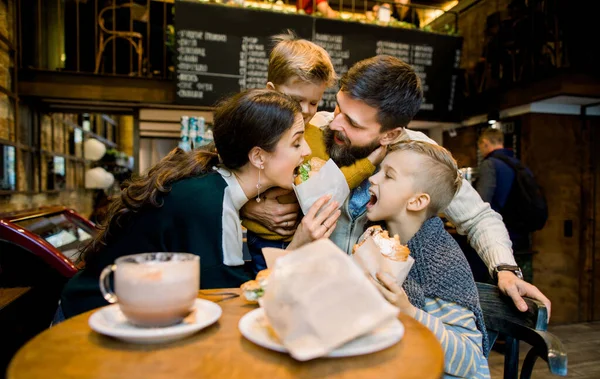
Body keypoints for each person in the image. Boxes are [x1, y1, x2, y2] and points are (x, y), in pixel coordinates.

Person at [258, 54, 550, 315]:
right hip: (304, 297)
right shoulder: (310, 129)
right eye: (338, 108)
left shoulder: (420, 157)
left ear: (390, 134)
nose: (334, 123)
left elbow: (478, 217)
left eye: (353, 123)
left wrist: (506, 269)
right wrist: (256, 207)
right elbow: (242, 164)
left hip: (374, 310)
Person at [59, 89, 340, 320]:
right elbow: (232, 305)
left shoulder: (213, 187)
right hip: (89, 319)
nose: (305, 152)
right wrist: (298, 246)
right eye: (296, 143)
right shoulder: (208, 204)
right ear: (258, 157)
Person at [241, 32, 385, 273]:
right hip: (264, 240)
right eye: (296, 100)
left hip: (309, 239)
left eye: (314, 102)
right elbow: (226, 177)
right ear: (271, 90)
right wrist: (247, 208)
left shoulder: (318, 134)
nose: (306, 111)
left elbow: (332, 183)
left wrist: (372, 159)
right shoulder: (252, 129)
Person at [367, 140, 490, 379]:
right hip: (404, 373)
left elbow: (468, 359)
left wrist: (409, 312)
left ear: (417, 201)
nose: (373, 179)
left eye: (387, 175)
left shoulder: (440, 261)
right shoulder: (378, 240)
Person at [476, 127, 539, 281]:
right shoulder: (518, 164)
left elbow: (481, 203)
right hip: (523, 237)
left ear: (484, 143)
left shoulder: (490, 164)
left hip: (499, 237)